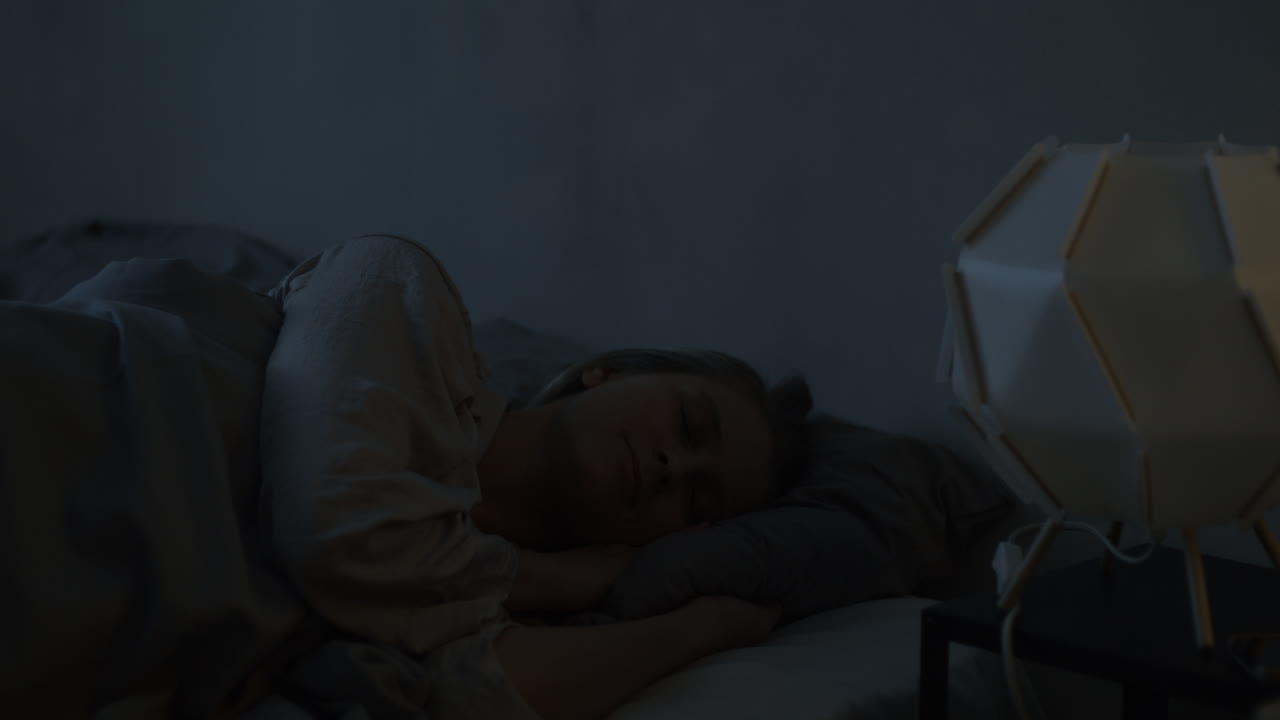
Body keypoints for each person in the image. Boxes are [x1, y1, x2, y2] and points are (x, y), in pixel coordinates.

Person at [0, 234, 811, 720]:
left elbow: (477, 701)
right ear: (606, 372)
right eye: (686, 423)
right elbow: (339, 527)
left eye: (699, 499)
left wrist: (705, 629)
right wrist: (548, 581)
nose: (676, 465)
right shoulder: (406, 297)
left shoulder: (455, 594)